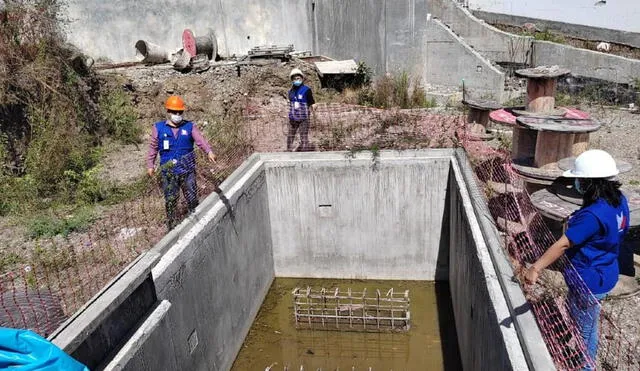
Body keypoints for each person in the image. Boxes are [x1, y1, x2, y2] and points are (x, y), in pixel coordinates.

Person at [523, 149, 629, 370]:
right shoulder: (619, 200)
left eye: (580, 180)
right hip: (607, 270)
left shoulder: (591, 215)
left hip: (587, 279)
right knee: (588, 321)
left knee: (586, 330)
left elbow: (563, 244)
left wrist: (536, 268)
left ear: (591, 182)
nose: (576, 184)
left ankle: (586, 366)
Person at [147, 95, 216, 230]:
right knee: (171, 199)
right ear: (168, 112)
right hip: (169, 172)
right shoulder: (158, 128)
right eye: (174, 112)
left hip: (187, 170)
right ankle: (172, 225)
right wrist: (150, 165)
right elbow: (153, 148)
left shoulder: (189, 127)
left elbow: (200, 141)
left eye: (180, 112)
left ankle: (195, 222)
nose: (177, 115)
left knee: (191, 197)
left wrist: (209, 151)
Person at [287, 68, 315, 151]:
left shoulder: (307, 90)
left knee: (303, 137)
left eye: (298, 78)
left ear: (302, 79)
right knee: (290, 136)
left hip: (304, 118)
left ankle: (304, 154)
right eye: (295, 79)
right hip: (293, 118)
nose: (297, 80)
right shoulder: (290, 91)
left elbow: (312, 103)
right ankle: (288, 152)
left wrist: (313, 111)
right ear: (292, 80)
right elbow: (290, 102)